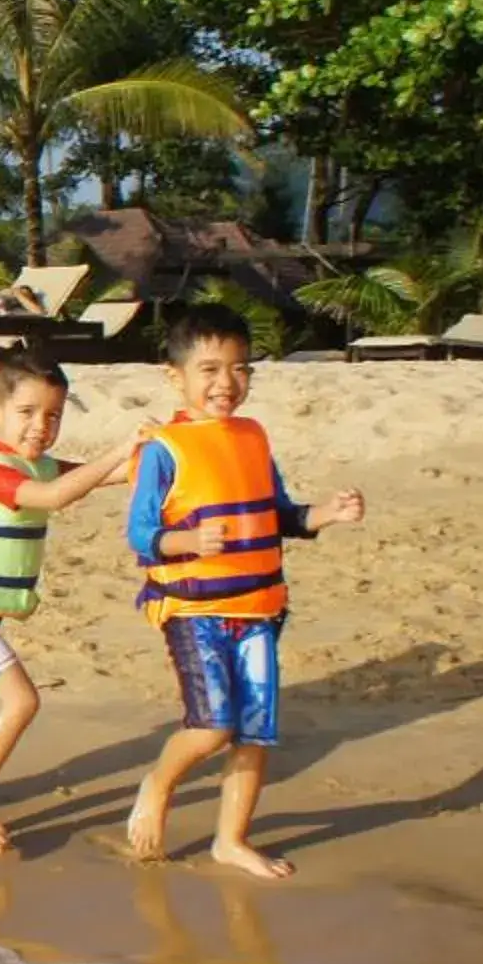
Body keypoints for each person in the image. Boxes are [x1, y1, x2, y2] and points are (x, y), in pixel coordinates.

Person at [121, 303, 365, 879]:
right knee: (212, 726)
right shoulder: (163, 448)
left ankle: (231, 840)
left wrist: (324, 513)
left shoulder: (253, 437)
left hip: (259, 609)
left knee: (254, 734)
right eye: (209, 369)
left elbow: (278, 513)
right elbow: (140, 534)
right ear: (174, 376)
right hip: (193, 610)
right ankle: (157, 785)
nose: (226, 383)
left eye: (239, 369)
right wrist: (189, 542)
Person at [0, 353, 139, 855]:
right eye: (27, 412)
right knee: (22, 701)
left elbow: (105, 476)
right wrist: (120, 447)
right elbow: (55, 496)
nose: (41, 426)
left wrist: (155, 454)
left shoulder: (34, 464)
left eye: (53, 415)